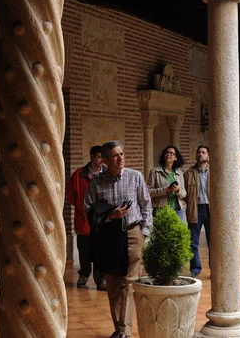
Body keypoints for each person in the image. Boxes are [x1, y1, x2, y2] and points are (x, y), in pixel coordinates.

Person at [84, 141, 152, 338]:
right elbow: (88, 210)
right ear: (104, 161)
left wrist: (144, 232)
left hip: (132, 233)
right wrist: (110, 216)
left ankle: (124, 332)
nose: (120, 158)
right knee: (113, 283)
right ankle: (120, 329)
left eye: (122, 154)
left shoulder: (135, 177)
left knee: (128, 283)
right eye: (115, 155)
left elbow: (146, 205)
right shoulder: (96, 182)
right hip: (109, 236)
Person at [67, 145, 106, 290]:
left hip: (101, 220)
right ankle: (83, 275)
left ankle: (100, 278)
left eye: (103, 157)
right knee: (84, 248)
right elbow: (71, 194)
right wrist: (80, 207)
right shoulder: (79, 174)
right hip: (83, 218)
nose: (101, 160)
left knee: (100, 250)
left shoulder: (106, 174)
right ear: (91, 156)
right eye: (98, 156)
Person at [184, 145, 210, 278]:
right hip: (196, 209)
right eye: (198, 152)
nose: (200, 154)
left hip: (212, 211)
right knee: (193, 241)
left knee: (214, 242)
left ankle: (215, 267)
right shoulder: (188, 174)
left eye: (203, 152)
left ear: (208, 156)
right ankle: (195, 268)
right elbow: (183, 193)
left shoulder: (215, 173)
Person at [147, 145, 187, 222]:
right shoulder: (154, 172)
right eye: (167, 152)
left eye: (172, 153)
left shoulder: (179, 172)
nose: (168, 154)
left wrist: (178, 190)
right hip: (161, 210)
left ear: (176, 158)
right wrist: (165, 189)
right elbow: (148, 192)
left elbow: (184, 194)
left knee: (177, 233)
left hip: (177, 210)